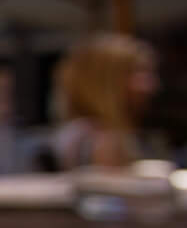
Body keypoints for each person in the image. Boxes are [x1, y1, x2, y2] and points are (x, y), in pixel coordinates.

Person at [49, 33, 157, 171]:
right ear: (107, 81)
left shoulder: (76, 132)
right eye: (139, 72)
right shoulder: (104, 141)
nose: (151, 85)